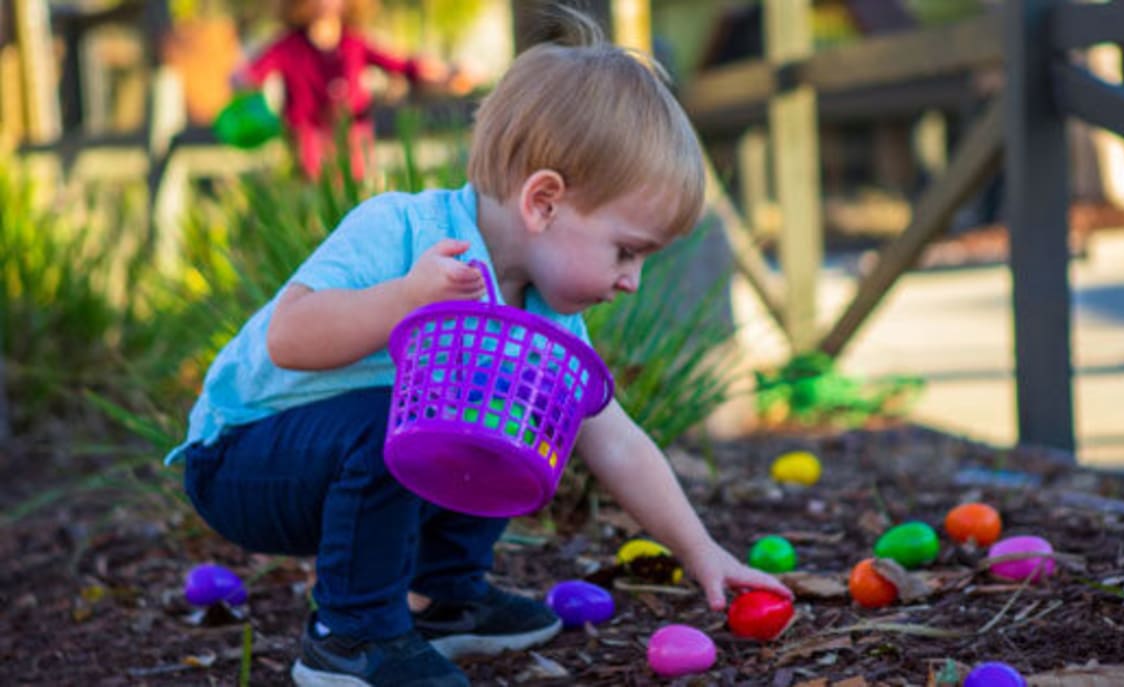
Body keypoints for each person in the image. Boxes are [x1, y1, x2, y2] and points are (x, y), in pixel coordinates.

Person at [167, 8, 793, 687]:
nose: (631, 282)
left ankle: (444, 596)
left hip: (345, 459)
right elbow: (288, 338)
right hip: (244, 461)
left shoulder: (546, 317)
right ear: (544, 202)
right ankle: (350, 638)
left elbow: (616, 441)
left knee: (512, 416)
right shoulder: (399, 228)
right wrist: (405, 299)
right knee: (393, 415)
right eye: (626, 251)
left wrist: (702, 551)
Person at [235, 0, 462, 180]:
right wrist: (236, 79)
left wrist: (446, 74)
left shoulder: (354, 43)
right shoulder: (287, 47)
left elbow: (402, 65)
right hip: (309, 144)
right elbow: (251, 74)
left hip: (354, 143)